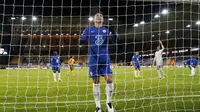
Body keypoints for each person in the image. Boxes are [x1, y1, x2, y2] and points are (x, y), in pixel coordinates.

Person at [79, 12, 119, 112]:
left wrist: (113, 32)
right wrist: (82, 40)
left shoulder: (106, 29)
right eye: (97, 16)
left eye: (101, 16)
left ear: (103, 19)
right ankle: (98, 106)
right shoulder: (89, 29)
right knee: (95, 82)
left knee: (109, 79)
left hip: (104, 59)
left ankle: (108, 102)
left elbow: (116, 39)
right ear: (94, 19)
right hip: (93, 60)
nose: (99, 16)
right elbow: (81, 40)